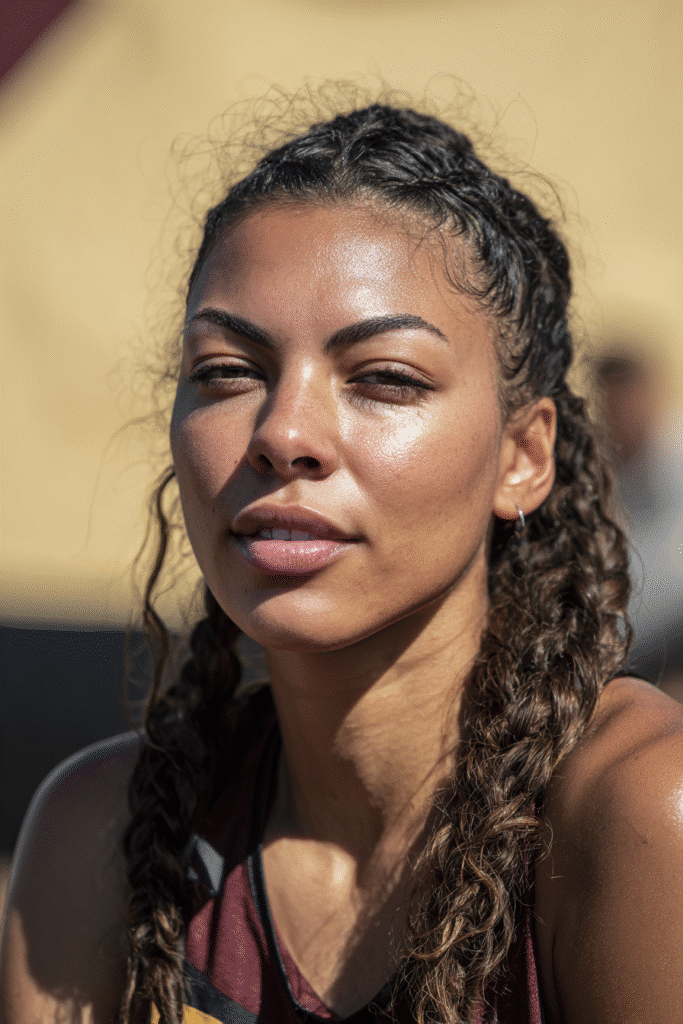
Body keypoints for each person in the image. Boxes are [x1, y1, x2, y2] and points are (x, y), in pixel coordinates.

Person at [2, 97, 683, 1024]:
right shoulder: (101, 837)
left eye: (384, 379)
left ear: (523, 457)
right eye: (227, 372)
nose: (282, 433)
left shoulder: (639, 811)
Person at [593, 345, 683, 699]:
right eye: (610, 403)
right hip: (638, 640)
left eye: (627, 400)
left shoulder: (674, 456)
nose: (620, 414)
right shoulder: (605, 473)